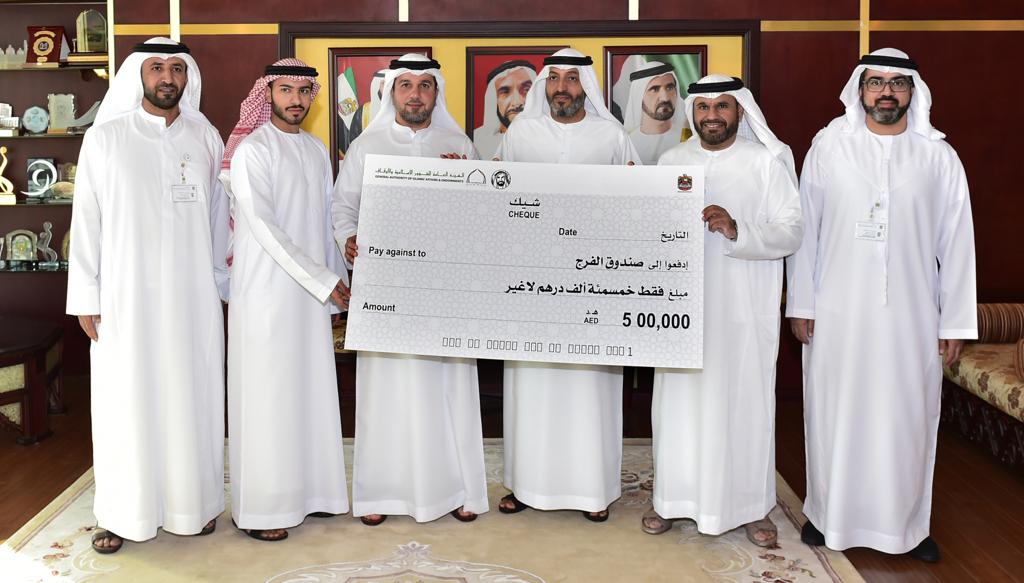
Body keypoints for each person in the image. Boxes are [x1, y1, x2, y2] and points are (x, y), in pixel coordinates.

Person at [786, 48, 977, 563]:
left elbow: (957, 244)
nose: (886, 92)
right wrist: (802, 303)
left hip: (913, 316)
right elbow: (807, 231)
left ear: (913, 91)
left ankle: (906, 528)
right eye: (876, 82)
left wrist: (955, 321)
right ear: (860, 90)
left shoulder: (938, 157)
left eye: (897, 83)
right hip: (837, 312)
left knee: (906, 418)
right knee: (835, 413)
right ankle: (827, 516)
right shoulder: (829, 147)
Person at [66, 37, 230, 554]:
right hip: (124, 298)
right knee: (125, 402)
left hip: (192, 298)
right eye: (157, 67)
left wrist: (223, 286)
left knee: (191, 397)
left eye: (177, 68)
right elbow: (86, 220)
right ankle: (120, 513)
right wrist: (85, 296)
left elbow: (219, 222)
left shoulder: (205, 137)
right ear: (138, 74)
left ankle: (193, 505)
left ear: (188, 77)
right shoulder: (106, 138)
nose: (167, 77)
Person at [642, 75, 802, 547]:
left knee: (744, 405)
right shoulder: (671, 161)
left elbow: (792, 230)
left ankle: (751, 507)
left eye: (723, 106)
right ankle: (671, 500)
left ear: (740, 111)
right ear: (693, 112)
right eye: (704, 106)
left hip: (742, 310)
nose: (712, 115)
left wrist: (738, 229)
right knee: (678, 407)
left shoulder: (766, 161)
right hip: (680, 311)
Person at [332, 53, 488, 526]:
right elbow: (343, 208)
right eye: (406, 85)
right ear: (390, 93)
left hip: (446, 288)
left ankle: (458, 490)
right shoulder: (367, 146)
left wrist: (468, 182)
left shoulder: (458, 145)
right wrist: (349, 239)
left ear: (436, 93)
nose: (415, 94)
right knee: (387, 389)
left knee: (449, 387)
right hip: (387, 288)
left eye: (425, 85)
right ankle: (381, 494)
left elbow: (485, 213)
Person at [496, 47, 640, 522]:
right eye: (554, 78)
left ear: (586, 87)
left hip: (594, 280)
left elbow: (637, 198)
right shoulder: (521, 133)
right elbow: (499, 196)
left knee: (588, 385)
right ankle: (525, 484)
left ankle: (592, 489)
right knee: (532, 383)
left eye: (572, 79)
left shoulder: (611, 135)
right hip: (531, 278)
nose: (562, 87)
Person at [220, 59, 350, 542]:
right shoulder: (253, 150)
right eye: (286, 90)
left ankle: (314, 494)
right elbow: (264, 226)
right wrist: (322, 280)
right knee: (269, 397)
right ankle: (264, 509)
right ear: (268, 94)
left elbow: (323, 223)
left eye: (303, 91)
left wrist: (337, 283)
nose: (296, 99)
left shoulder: (315, 150)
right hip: (266, 295)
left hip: (310, 295)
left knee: (309, 391)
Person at [623, 60, 686, 164]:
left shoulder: (688, 138)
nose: (665, 98)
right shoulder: (627, 144)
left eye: (670, 87)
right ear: (639, 96)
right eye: (654, 89)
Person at [473, 60, 536, 159]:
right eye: (505, 92)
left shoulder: (551, 135)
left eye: (526, 90)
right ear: (494, 100)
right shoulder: (475, 141)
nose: (517, 103)